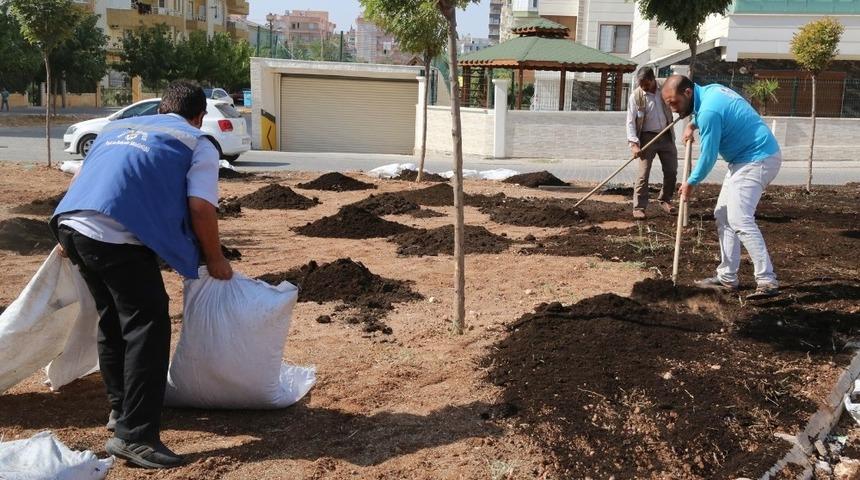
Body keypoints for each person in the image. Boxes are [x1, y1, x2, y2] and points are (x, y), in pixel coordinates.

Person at [51, 80, 233, 469]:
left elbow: (82, 179)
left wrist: (68, 231)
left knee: (114, 320)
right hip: (114, 235)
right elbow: (201, 207)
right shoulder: (197, 143)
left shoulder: (116, 129)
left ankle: (121, 412)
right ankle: (136, 436)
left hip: (72, 223)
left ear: (161, 108)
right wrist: (215, 258)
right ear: (199, 117)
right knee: (148, 326)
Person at [661, 75, 782, 299]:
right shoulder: (710, 92)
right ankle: (727, 277)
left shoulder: (708, 111)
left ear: (687, 93)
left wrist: (691, 182)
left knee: (740, 218)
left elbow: (708, 156)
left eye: (674, 103)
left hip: (757, 158)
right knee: (723, 215)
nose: (673, 110)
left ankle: (767, 280)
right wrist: (692, 123)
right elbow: (718, 113)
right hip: (743, 159)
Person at [626, 66, 678, 220]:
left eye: (645, 84)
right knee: (643, 174)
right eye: (640, 84)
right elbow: (630, 122)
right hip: (647, 138)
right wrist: (634, 144)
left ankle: (665, 199)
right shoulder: (636, 96)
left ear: (652, 79)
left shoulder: (666, 87)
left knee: (671, 171)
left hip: (666, 134)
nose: (643, 87)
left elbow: (677, 100)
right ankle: (639, 207)